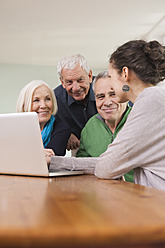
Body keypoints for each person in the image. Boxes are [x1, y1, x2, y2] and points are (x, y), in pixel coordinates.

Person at [49, 39, 165, 190]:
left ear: (125, 73)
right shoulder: (154, 98)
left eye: (110, 76)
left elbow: (106, 167)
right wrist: (54, 161)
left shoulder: (149, 102)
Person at [76, 71, 133, 182]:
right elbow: (81, 166)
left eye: (113, 94)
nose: (107, 102)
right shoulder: (90, 126)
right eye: (100, 97)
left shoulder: (139, 121)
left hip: (139, 194)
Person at [54, 54, 97, 152]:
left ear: (89, 76)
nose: (76, 88)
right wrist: (65, 133)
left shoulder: (105, 87)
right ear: (62, 82)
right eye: (69, 82)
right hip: (79, 148)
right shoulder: (55, 100)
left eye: (80, 80)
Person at [16, 80, 71, 158]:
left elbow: (50, 157)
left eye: (48, 99)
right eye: (36, 100)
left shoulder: (62, 128)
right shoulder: (15, 128)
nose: (43, 105)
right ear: (25, 105)